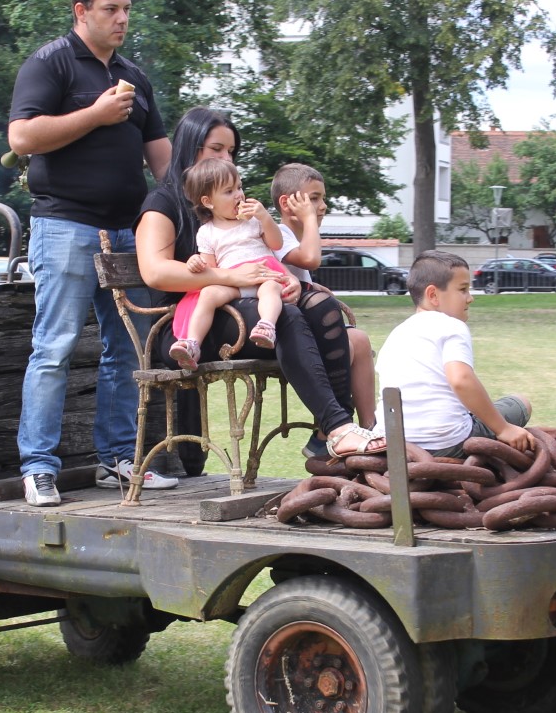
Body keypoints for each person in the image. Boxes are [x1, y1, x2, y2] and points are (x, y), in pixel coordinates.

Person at [8, 0, 175, 506]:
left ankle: (118, 459)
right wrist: (96, 115)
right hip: (64, 226)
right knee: (53, 348)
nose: (122, 18)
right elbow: (23, 136)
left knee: (128, 350)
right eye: (111, 9)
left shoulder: (135, 77)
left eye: (127, 9)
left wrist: (196, 206)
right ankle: (38, 467)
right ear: (81, 11)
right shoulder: (50, 64)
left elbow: (163, 164)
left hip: (128, 233)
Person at [137, 108, 384, 461]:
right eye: (216, 149)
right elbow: (155, 273)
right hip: (188, 322)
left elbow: (264, 250)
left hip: (246, 308)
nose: (226, 159)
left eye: (231, 152)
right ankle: (339, 428)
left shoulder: (235, 207)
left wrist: (291, 283)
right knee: (287, 317)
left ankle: (325, 434)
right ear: (190, 147)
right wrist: (230, 277)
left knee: (321, 306)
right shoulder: (163, 203)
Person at [376, 250, 533, 459]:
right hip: (447, 441)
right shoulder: (452, 326)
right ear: (433, 295)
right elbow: (461, 380)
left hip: (394, 443)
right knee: (521, 403)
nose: (470, 298)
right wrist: (503, 428)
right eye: (463, 289)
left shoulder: (397, 333)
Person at [271, 163, 379, 451]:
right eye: (314, 198)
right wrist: (308, 220)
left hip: (302, 325)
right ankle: (331, 431)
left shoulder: (297, 236)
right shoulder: (278, 232)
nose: (323, 206)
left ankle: (368, 427)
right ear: (287, 202)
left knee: (360, 338)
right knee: (352, 338)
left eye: (322, 198)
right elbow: (310, 260)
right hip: (285, 331)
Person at [169, 159, 287, 367]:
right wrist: (195, 263)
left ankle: (267, 326)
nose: (239, 195)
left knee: (270, 289)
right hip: (232, 282)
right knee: (207, 294)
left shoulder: (252, 221)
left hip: (263, 274)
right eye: (229, 191)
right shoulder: (206, 232)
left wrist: (265, 217)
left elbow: (276, 243)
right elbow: (210, 270)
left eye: (239, 187)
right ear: (208, 202)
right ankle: (192, 343)